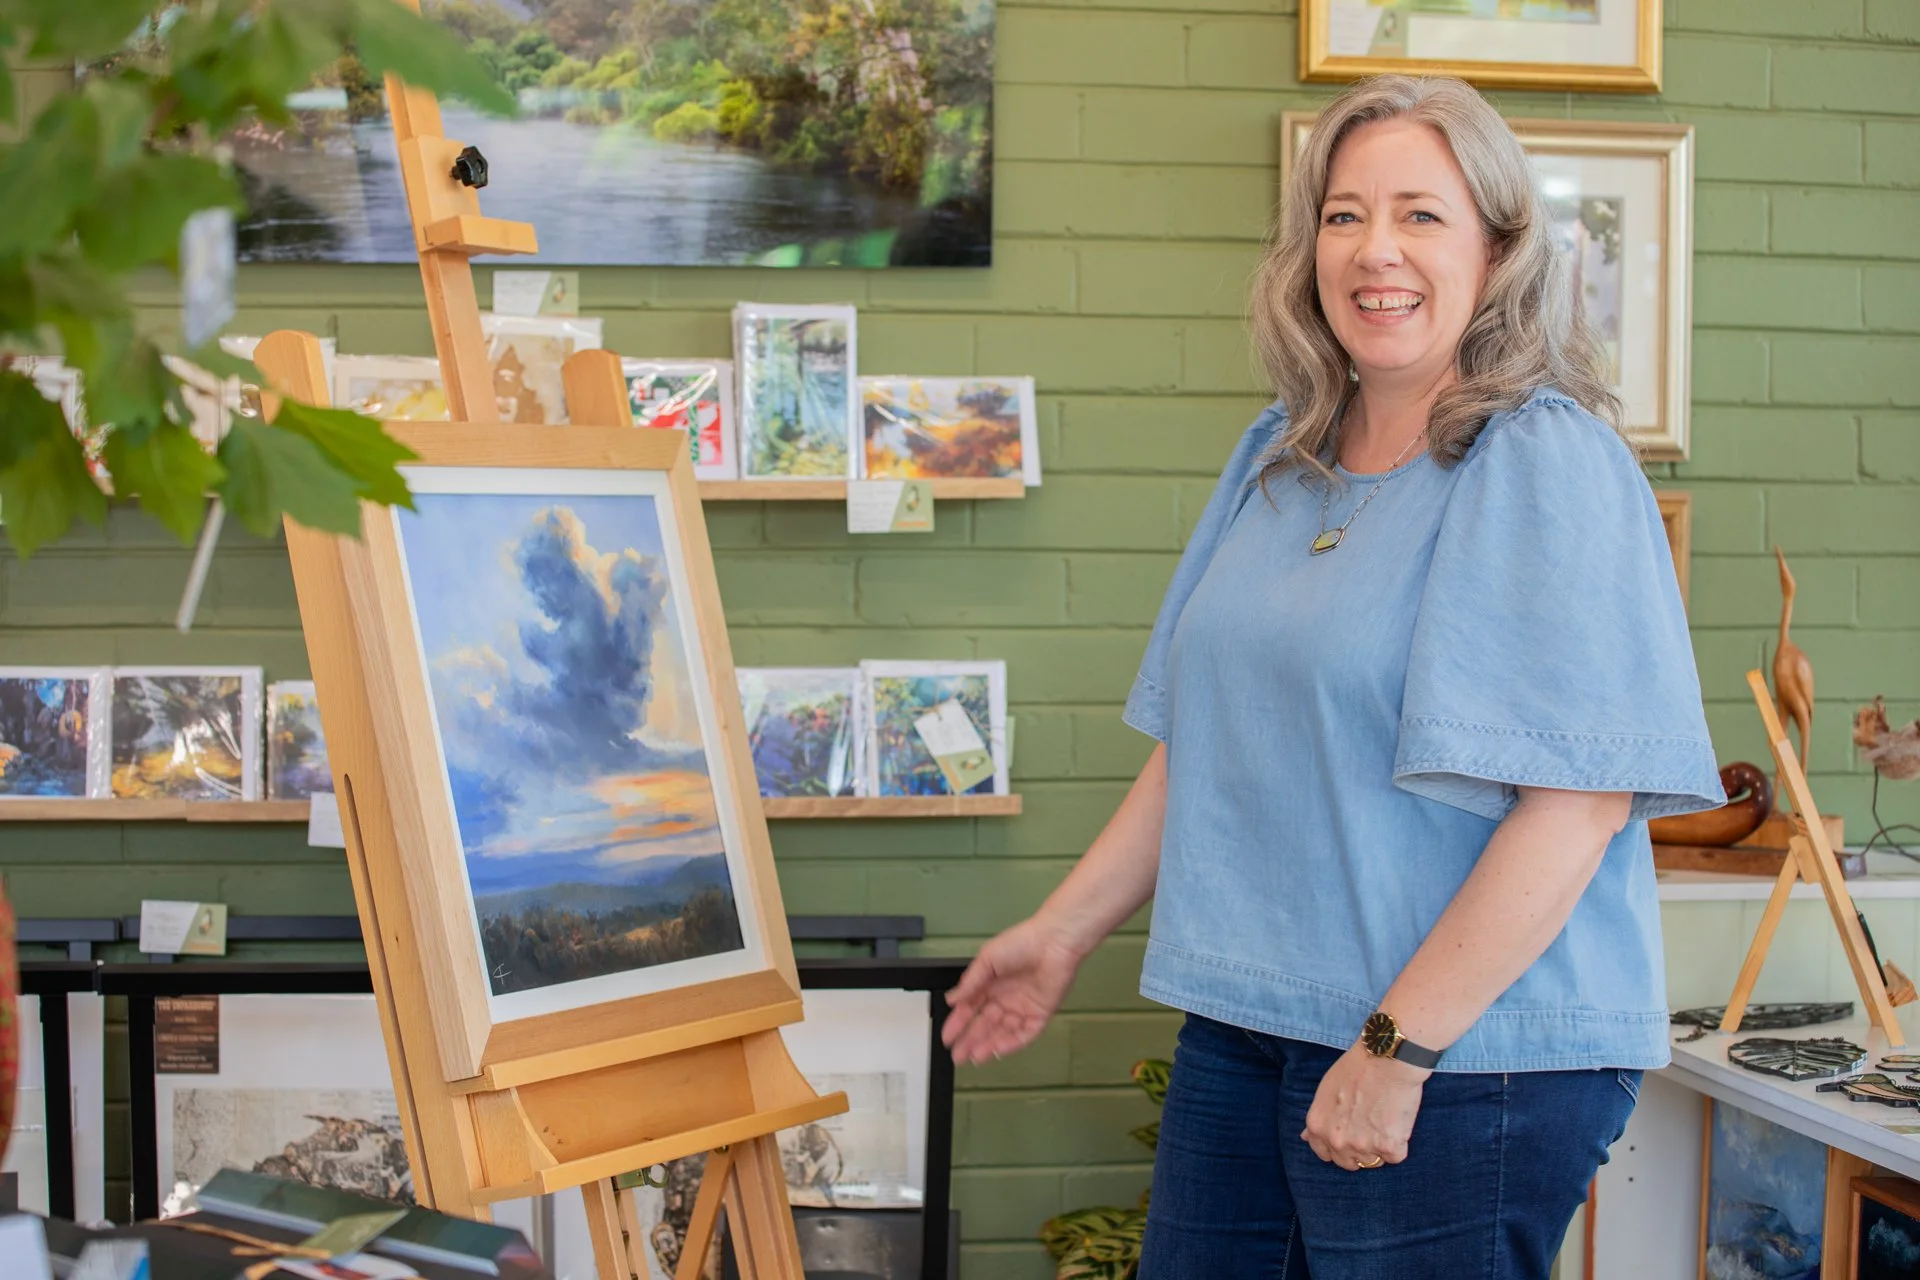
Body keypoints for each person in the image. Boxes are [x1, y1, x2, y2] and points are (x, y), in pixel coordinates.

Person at [941, 74, 1725, 1278]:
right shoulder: (1281, 452)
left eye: (1420, 213)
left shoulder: (1544, 460)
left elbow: (1577, 804)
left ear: (1500, 248)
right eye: (1344, 213)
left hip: (1466, 1058)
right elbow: (1208, 737)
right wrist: (1060, 932)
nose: (1375, 250)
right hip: (1254, 1021)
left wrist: (1397, 1046)